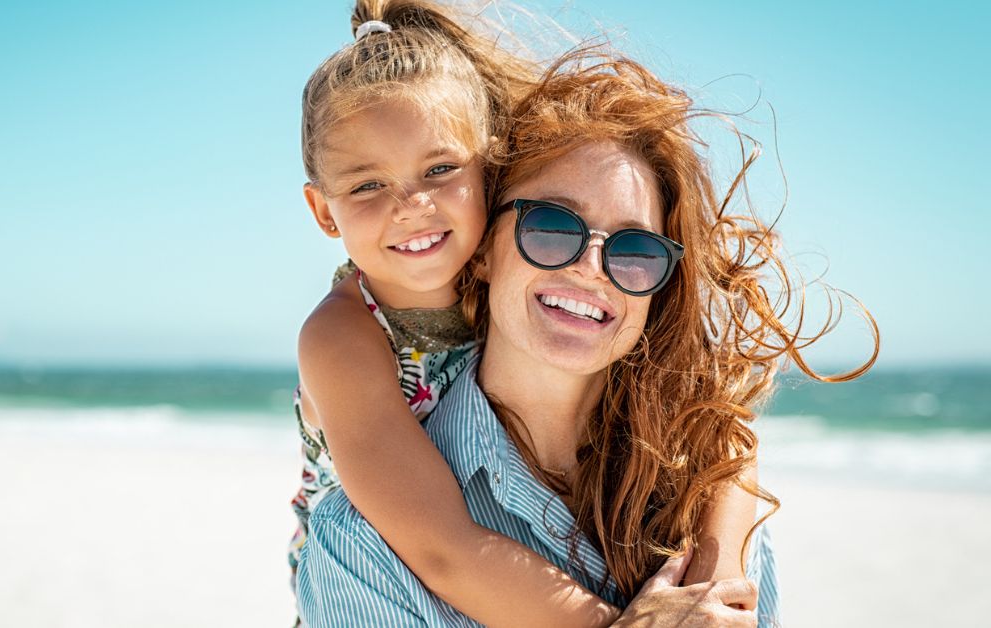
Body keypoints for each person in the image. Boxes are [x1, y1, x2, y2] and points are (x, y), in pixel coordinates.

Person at [295, 28, 878, 627]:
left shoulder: (695, 491)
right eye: (550, 226)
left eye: (634, 250)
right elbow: (442, 549)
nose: (589, 267)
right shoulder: (363, 538)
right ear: (488, 248)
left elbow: (729, 440)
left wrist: (718, 572)